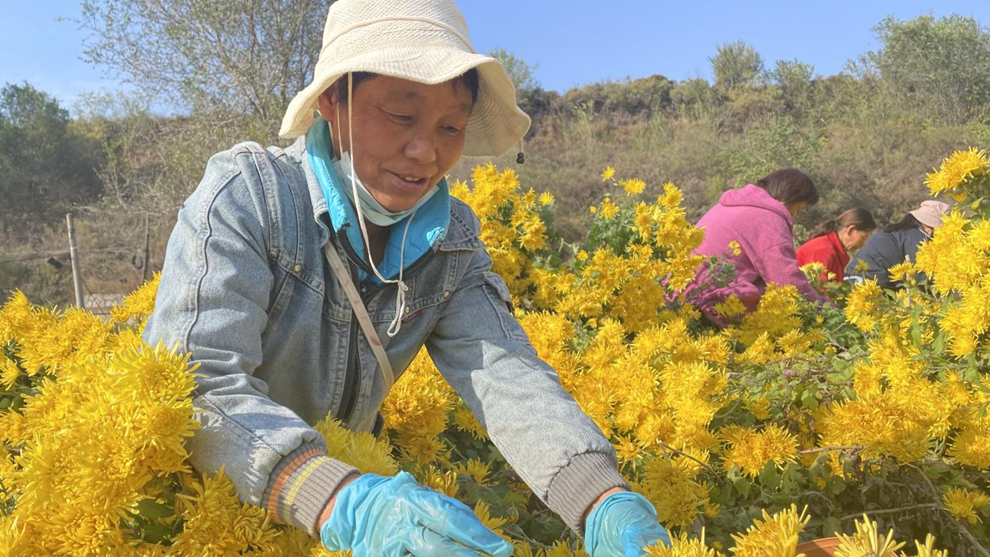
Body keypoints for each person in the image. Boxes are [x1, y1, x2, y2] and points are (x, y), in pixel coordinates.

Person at [142, 0, 670, 555]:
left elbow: (505, 373)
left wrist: (599, 498)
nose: (426, 152)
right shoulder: (250, 197)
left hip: (341, 523)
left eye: (451, 126)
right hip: (214, 516)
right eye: (400, 115)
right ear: (331, 100)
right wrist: (340, 502)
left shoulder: (453, 240)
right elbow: (197, 385)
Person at [687, 168, 829, 325]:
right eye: (798, 209)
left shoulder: (728, 206)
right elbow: (787, 281)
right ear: (788, 197)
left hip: (684, 297)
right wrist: (826, 310)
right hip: (717, 310)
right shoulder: (768, 218)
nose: (794, 215)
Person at [845, 200, 951, 288]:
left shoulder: (901, 231)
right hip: (867, 283)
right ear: (930, 228)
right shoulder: (917, 237)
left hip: (854, 276)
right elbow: (920, 274)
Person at [797, 208, 877, 282]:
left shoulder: (834, 249)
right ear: (851, 230)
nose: (863, 245)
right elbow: (818, 289)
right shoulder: (824, 250)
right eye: (863, 238)